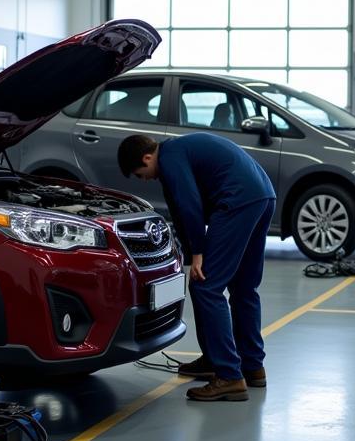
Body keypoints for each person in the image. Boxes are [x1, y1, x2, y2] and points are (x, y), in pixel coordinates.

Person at [118, 131, 277, 402]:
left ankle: (228, 374)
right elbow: (180, 212)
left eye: (140, 172)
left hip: (236, 201)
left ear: (147, 157)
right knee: (244, 287)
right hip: (263, 196)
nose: (144, 179)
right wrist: (190, 252)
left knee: (206, 287)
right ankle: (252, 367)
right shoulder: (180, 150)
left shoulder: (169, 158)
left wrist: (199, 252)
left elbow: (189, 204)